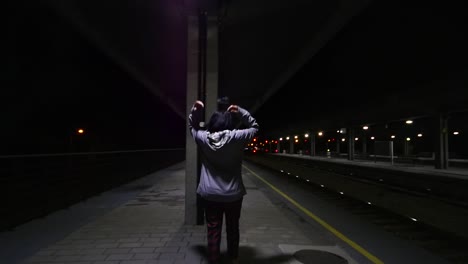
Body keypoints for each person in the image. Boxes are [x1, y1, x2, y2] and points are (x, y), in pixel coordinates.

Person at [188, 99, 259, 264]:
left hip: (210, 194)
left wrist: (196, 110)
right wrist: (240, 111)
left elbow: (192, 127)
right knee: (233, 227)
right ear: (229, 123)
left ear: (212, 123)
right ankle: (233, 258)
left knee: (213, 229)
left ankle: (213, 259)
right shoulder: (237, 137)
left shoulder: (203, 138)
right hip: (233, 195)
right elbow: (255, 127)